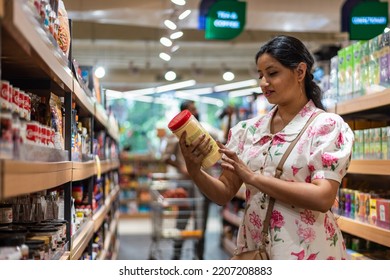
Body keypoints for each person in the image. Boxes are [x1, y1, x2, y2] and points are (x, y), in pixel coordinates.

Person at [177, 35, 354, 260]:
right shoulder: (247, 131)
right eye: (260, 75)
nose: (263, 82)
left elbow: (323, 198)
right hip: (256, 251)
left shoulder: (327, 126)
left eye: (272, 73)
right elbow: (223, 193)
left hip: (310, 252)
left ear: (300, 72)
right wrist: (194, 169)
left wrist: (254, 178)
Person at [162, 100, 220, 260]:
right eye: (191, 110)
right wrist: (182, 167)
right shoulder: (176, 136)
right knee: (182, 220)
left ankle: (199, 257)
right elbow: (166, 157)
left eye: (196, 109)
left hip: (206, 182)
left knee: (202, 223)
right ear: (184, 113)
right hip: (186, 184)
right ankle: (176, 255)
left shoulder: (207, 131)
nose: (196, 112)